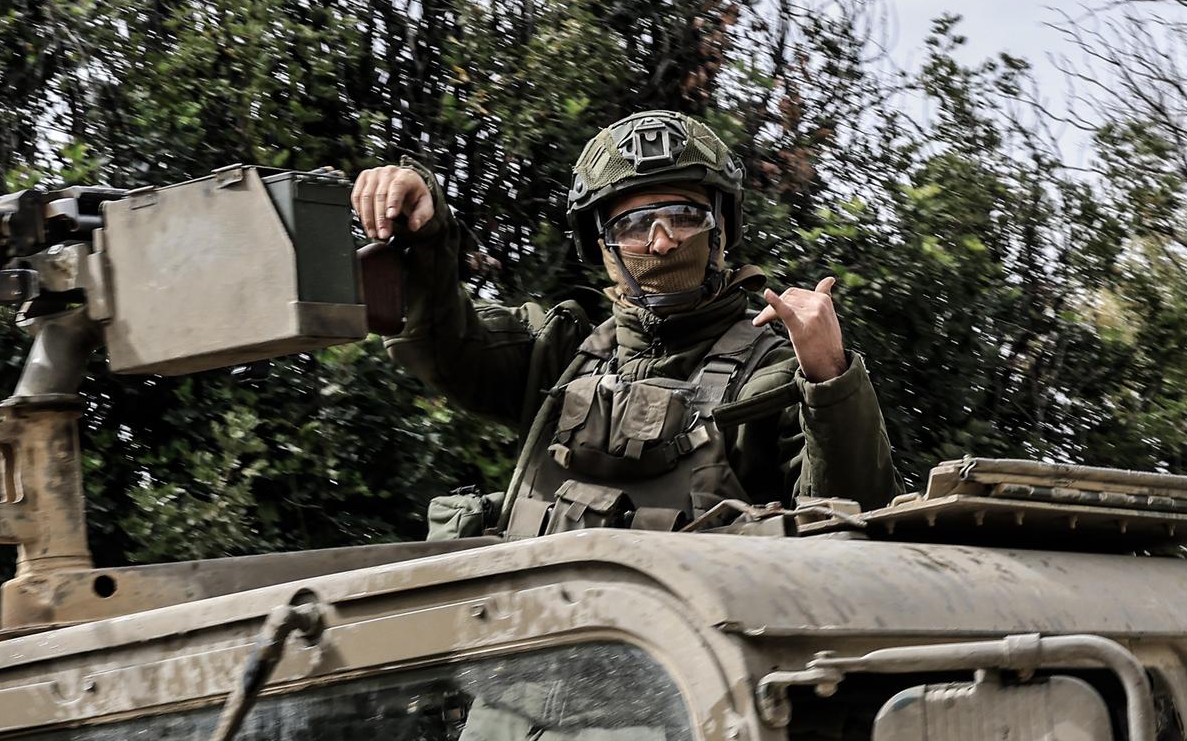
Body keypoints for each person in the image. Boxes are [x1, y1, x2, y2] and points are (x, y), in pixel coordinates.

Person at [352, 110, 897, 538]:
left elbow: (853, 528)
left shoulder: (776, 372)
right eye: (635, 224)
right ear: (603, 246)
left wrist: (830, 378)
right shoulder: (560, 354)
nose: (662, 242)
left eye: (685, 217)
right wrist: (425, 236)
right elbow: (443, 346)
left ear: (721, 231)